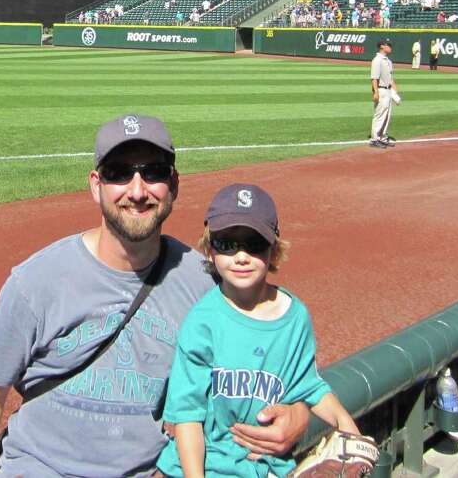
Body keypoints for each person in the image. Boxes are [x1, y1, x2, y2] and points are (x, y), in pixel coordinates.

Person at [0, 115, 311, 477]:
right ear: (96, 184)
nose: (137, 191)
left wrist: (298, 414)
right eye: (119, 172)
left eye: (153, 172)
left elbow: (264, 357)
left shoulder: (202, 282)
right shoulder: (36, 282)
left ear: (173, 184)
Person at [155, 183, 363, 477]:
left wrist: (347, 426)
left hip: (265, 467)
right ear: (210, 250)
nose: (241, 256)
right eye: (227, 243)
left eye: (254, 244)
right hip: (206, 465)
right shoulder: (202, 321)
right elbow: (187, 416)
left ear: (273, 250)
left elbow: (309, 386)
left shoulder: (295, 317)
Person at [369, 40, 399, 149]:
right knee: (379, 115)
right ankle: (374, 139)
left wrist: (394, 88)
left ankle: (382, 136)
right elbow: (374, 78)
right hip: (381, 90)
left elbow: (390, 77)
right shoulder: (377, 60)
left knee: (387, 116)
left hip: (388, 90)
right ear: (382, 46)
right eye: (388, 45)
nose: (390, 47)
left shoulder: (388, 61)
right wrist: (375, 92)